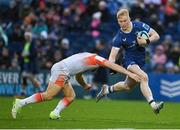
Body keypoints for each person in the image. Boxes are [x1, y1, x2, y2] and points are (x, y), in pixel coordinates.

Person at [11, 52, 140, 120]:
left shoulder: (89, 57)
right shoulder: (97, 60)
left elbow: (78, 76)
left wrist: (85, 85)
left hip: (63, 69)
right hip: (62, 70)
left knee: (71, 96)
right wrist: (129, 73)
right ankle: (20, 103)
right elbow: (113, 65)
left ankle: (55, 113)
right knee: (49, 95)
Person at [96, 8, 164, 114]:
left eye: (125, 21)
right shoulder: (119, 37)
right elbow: (112, 57)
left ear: (129, 19)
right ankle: (153, 105)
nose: (123, 24)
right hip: (129, 61)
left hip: (140, 61)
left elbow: (156, 35)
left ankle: (107, 90)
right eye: (120, 22)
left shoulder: (139, 25)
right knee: (144, 77)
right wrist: (111, 66)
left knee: (127, 86)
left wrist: (146, 40)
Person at [20, 32, 43, 96]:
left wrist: (26, 55)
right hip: (26, 62)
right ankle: (23, 91)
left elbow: (34, 54)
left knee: (29, 76)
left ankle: (40, 88)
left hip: (30, 63)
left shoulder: (33, 44)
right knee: (24, 76)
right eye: (25, 36)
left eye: (27, 36)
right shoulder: (26, 43)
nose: (26, 37)